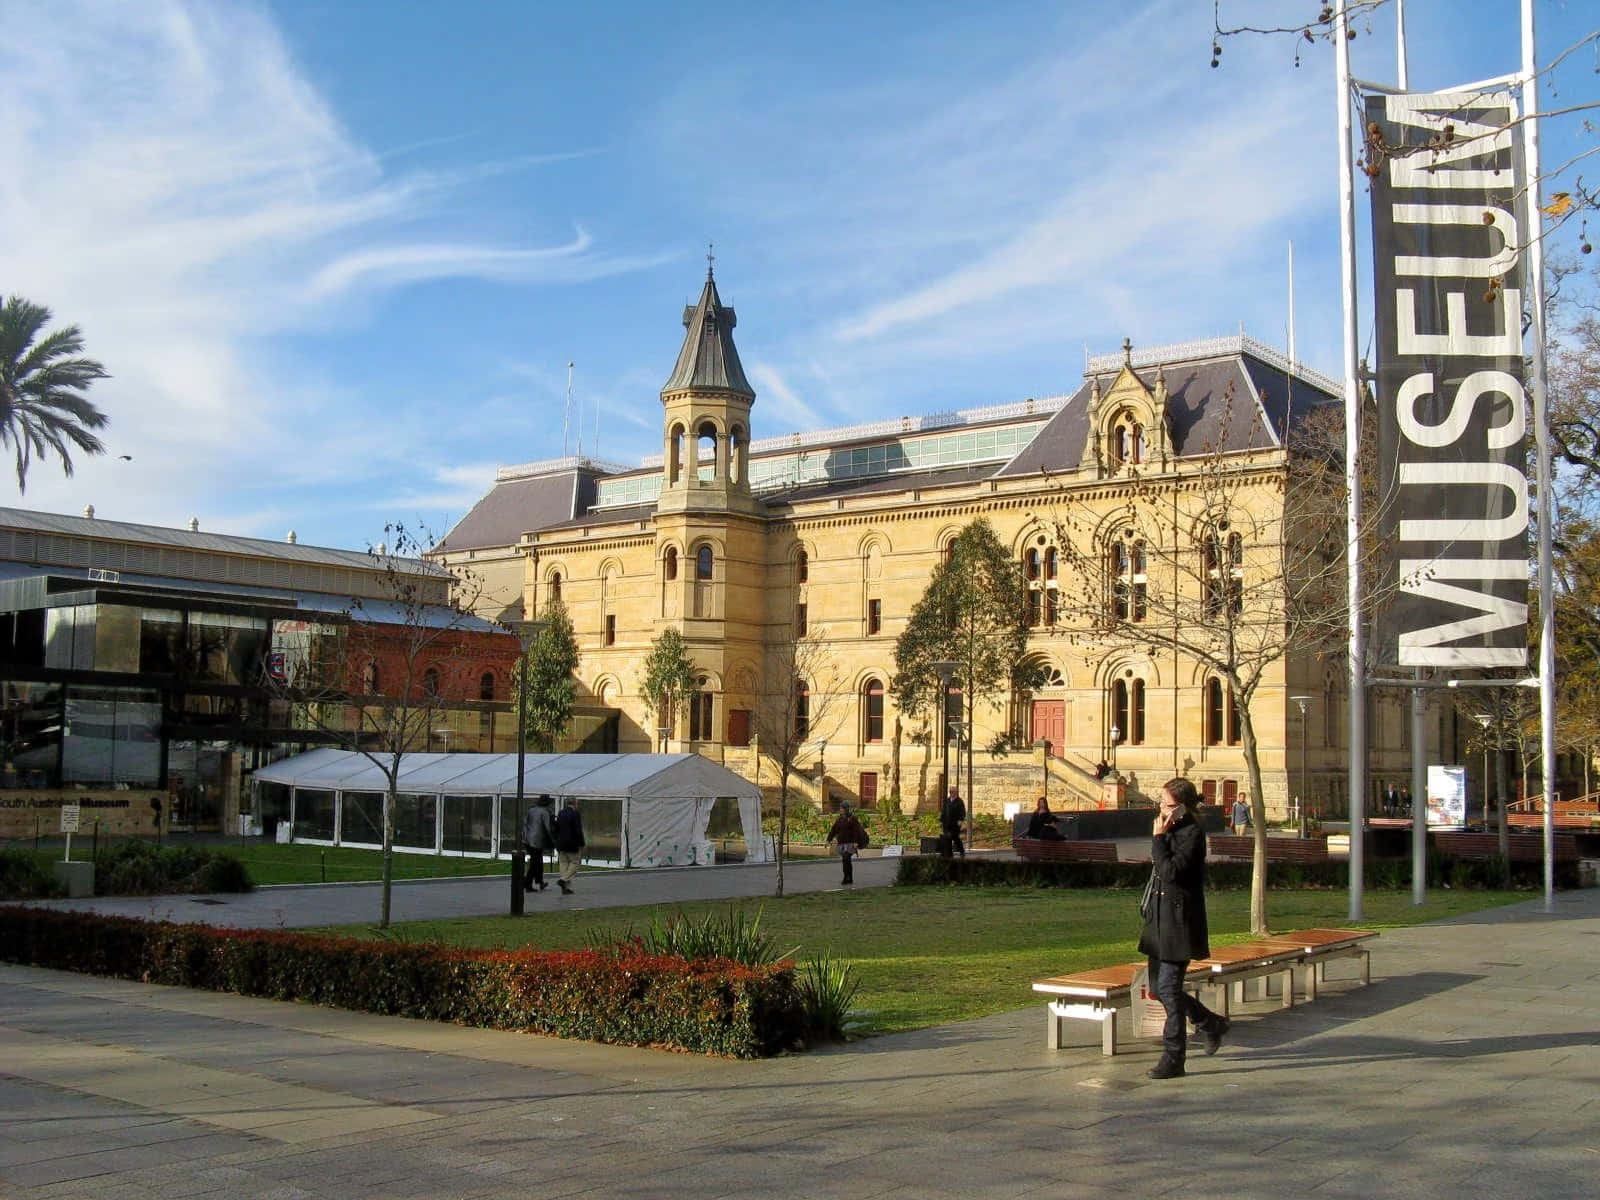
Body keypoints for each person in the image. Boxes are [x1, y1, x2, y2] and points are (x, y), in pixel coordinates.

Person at [1138, 776, 1229, 1080]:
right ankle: (1210, 1023)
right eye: (1161, 803)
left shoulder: (1192, 833)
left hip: (1179, 923)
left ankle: (1174, 1057)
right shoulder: (1170, 828)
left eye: (1169, 805)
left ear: (1183, 807)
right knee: (1158, 989)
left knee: (1168, 988)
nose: (1162, 809)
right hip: (1158, 921)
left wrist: (1158, 840)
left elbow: (1170, 871)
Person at [827, 801, 869, 885]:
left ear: (846, 809)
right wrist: (828, 839)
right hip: (842, 844)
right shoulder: (839, 819)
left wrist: (856, 842)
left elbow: (856, 831)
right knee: (846, 860)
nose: (840, 810)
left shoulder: (853, 819)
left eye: (842, 808)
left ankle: (846, 877)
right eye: (840, 808)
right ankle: (849, 878)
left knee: (846, 858)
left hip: (851, 844)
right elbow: (834, 829)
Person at [522, 794, 555, 893]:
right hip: (537, 841)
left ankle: (539, 882)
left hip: (528, 840)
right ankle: (528, 884)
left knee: (537, 862)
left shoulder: (531, 810)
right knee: (535, 863)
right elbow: (548, 827)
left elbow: (525, 823)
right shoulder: (545, 812)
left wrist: (525, 836)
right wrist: (553, 840)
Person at [552, 796, 585, 895]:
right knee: (575, 863)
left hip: (561, 843)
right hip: (572, 843)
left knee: (563, 864)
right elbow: (578, 830)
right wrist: (582, 843)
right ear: (575, 803)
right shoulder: (575, 814)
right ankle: (563, 880)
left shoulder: (561, 813)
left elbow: (557, 828)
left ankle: (565, 888)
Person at [939, 785, 966, 858]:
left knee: (955, 838)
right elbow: (943, 811)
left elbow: (962, 812)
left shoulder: (959, 801)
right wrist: (941, 820)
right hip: (946, 824)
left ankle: (961, 851)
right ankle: (949, 855)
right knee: (947, 839)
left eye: (953, 792)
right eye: (951, 792)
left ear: (956, 793)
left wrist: (961, 820)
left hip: (955, 824)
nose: (952, 793)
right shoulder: (947, 801)